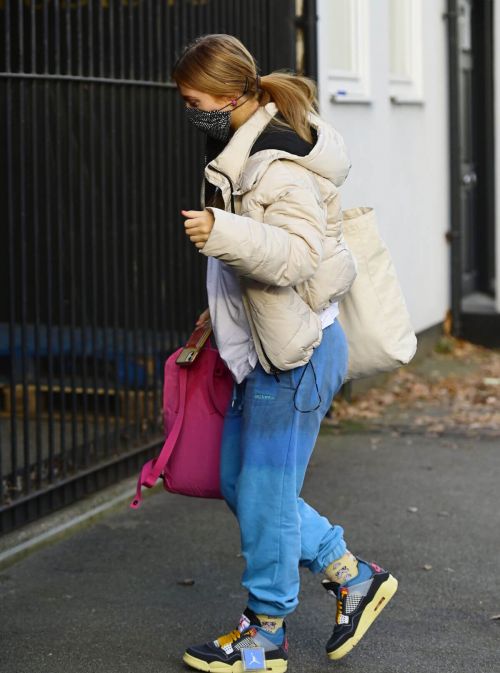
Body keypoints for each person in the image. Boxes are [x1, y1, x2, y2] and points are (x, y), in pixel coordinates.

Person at [172, 33, 398, 673]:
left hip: (294, 357)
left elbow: (295, 256)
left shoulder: (278, 164)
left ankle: (265, 632)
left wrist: (224, 232)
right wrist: (221, 311)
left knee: (265, 496)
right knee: (240, 484)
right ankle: (349, 575)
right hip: (268, 348)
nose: (189, 111)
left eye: (193, 100)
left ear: (229, 94)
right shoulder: (244, 151)